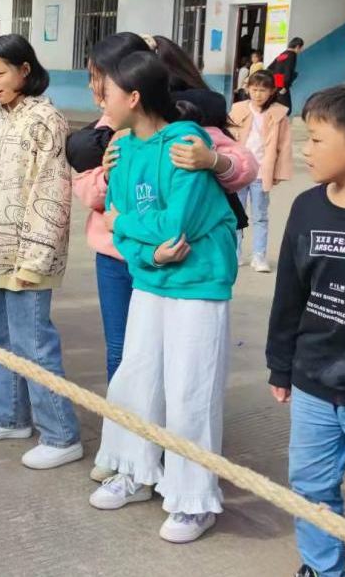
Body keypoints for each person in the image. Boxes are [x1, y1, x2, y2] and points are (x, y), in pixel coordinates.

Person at [89, 50, 238, 544]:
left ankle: (193, 500)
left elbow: (176, 225)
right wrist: (150, 252)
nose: (100, 101)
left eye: (107, 92)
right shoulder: (122, 148)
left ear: (134, 97)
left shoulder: (185, 143)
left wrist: (128, 225)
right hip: (151, 278)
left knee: (190, 388)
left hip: (198, 283)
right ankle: (134, 470)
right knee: (136, 378)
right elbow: (117, 225)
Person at [67, 32, 256, 390]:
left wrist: (212, 160)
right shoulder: (111, 132)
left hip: (176, 261)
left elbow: (243, 167)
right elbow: (88, 191)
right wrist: (108, 177)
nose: (95, 87)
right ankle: (128, 419)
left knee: (176, 363)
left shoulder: (185, 129)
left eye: (99, 77)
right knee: (124, 352)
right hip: (118, 255)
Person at [266, 83, 345, 577]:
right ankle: (319, 567)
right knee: (310, 490)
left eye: (315, 139)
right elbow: (290, 293)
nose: (305, 151)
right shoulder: (307, 207)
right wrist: (280, 364)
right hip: (313, 383)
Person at [0, 35, 83, 472]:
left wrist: (34, 260)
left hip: (28, 256)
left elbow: (51, 192)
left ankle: (61, 435)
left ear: (25, 70)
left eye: (1, 72)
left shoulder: (46, 120)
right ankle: (11, 417)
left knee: (33, 344)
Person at [231, 70, 293, 273]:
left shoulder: (278, 114)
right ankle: (234, 253)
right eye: (254, 89)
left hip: (260, 173)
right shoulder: (238, 109)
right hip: (240, 170)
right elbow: (228, 138)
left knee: (260, 216)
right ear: (248, 89)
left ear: (272, 91)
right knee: (235, 214)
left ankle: (259, 256)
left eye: (263, 90)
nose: (258, 94)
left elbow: (284, 145)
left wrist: (278, 172)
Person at [268, 37, 305, 113]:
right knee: (286, 109)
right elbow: (288, 70)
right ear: (297, 47)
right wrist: (285, 87)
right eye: (301, 48)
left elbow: (270, 68)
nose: (301, 50)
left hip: (276, 83)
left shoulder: (283, 54)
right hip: (283, 84)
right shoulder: (292, 55)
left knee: (277, 106)